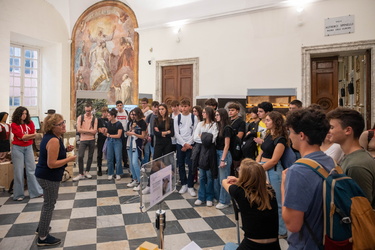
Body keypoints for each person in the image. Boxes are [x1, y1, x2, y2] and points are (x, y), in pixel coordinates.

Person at [282, 108, 335, 249]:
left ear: (301, 135)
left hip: (306, 244)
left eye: (290, 132)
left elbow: (293, 225)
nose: (289, 136)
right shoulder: (329, 161)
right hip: (325, 240)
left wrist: (283, 186)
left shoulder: (298, 171)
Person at [35, 114, 76, 246]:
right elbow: (52, 164)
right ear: (52, 127)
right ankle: (42, 237)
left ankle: (42, 227)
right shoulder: (53, 140)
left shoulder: (54, 138)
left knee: (47, 203)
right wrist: (69, 159)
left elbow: (54, 154)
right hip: (48, 177)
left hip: (46, 175)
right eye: (60, 124)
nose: (64, 125)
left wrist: (65, 150)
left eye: (63, 122)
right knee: (49, 205)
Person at [222, 159, 280, 250]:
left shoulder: (239, 192)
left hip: (250, 246)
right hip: (274, 247)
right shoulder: (270, 192)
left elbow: (224, 181)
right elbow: (263, 182)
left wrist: (238, 180)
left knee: (228, 246)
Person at [327, 108, 375, 208]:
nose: (328, 131)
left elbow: (361, 209)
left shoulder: (357, 165)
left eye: (331, 127)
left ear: (348, 130)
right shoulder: (349, 157)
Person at [256, 111, 287, 238]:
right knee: (266, 200)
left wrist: (259, 168)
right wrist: (257, 163)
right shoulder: (269, 135)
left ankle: (282, 231)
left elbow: (275, 160)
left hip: (273, 171)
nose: (265, 122)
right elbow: (261, 152)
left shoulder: (281, 139)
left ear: (276, 122)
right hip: (263, 167)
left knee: (278, 202)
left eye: (268, 120)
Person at [11, 106, 43, 201]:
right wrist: (31, 135)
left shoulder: (30, 123)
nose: (24, 116)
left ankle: (36, 192)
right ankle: (18, 194)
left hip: (28, 147)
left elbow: (32, 135)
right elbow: (22, 137)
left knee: (32, 170)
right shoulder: (13, 125)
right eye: (22, 114)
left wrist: (29, 136)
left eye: (25, 113)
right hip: (17, 148)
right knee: (19, 171)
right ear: (18, 114)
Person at [193, 107, 218, 206]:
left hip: (211, 153)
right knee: (202, 176)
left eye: (204, 112)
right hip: (201, 152)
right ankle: (201, 197)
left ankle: (209, 197)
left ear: (208, 113)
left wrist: (201, 136)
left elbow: (212, 140)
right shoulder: (200, 124)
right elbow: (195, 138)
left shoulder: (214, 125)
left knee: (210, 176)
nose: (202, 114)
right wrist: (206, 137)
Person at [174, 99, 198, 196]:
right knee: (181, 164)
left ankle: (190, 185)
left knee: (191, 165)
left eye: (186, 106)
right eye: (182, 106)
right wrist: (183, 144)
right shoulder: (177, 118)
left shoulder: (194, 118)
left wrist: (188, 144)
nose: (184, 108)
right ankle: (184, 184)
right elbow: (176, 132)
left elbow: (195, 132)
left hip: (190, 144)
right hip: (180, 144)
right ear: (180, 107)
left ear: (189, 106)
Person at [73, 103, 97, 181]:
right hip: (83, 139)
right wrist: (89, 131)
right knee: (80, 156)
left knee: (90, 156)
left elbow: (94, 131)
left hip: (91, 139)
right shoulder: (80, 117)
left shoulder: (94, 119)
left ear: (91, 110)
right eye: (86, 111)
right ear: (84, 110)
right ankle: (81, 173)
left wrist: (84, 131)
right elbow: (79, 130)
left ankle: (87, 171)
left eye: (89, 111)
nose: (88, 112)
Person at [213, 108, 232, 209]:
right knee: (218, 178)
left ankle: (225, 201)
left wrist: (223, 159)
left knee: (224, 179)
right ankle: (220, 198)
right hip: (218, 152)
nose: (216, 117)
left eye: (217, 115)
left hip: (223, 154)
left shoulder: (227, 128)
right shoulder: (218, 127)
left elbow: (226, 145)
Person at [126, 108, 147, 191]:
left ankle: (141, 182)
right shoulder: (131, 122)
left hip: (137, 144)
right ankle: (134, 179)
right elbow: (130, 131)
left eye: (134, 114)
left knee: (135, 162)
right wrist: (129, 132)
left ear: (139, 114)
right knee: (131, 162)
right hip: (130, 142)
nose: (133, 116)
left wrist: (134, 133)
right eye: (132, 114)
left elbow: (143, 136)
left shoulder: (142, 123)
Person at [104, 108, 124, 180]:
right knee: (110, 158)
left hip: (117, 141)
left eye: (109, 115)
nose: (108, 117)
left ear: (113, 116)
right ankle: (110, 172)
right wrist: (104, 132)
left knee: (118, 158)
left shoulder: (119, 124)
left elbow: (118, 135)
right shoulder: (108, 123)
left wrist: (109, 135)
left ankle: (118, 173)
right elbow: (106, 133)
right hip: (109, 141)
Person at [228, 102, 246, 175]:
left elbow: (240, 135)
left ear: (237, 111)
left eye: (232, 110)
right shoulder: (228, 121)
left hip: (235, 147)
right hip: (227, 146)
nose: (230, 112)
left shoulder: (241, 122)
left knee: (235, 168)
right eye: (229, 110)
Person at [142, 101, 159, 165]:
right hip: (151, 136)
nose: (156, 109)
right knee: (151, 152)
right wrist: (146, 135)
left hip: (159, 137)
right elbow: (146, 126)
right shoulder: (150, 116)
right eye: (155, 107)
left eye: (157, 107)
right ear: (152, 108)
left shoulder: (160, 116)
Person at [115, 100, 129, 169]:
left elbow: (128, 122)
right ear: (116, 106)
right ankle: (116, 163)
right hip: (117, 133)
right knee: (116, 148)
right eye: (118, 105)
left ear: (122, 105)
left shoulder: (126, 112)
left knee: (124, 149)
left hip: (125, 133)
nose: (119, 107)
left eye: (121, 105)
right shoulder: (115, 113)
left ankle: (125, 162)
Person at [97, 107, 109, 176]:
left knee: (108, 153)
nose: (105, 113)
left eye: (106, 112)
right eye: (104, 112)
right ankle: (99, 168)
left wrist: (105, 130)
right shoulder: (99, 120)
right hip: (101, 138)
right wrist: (103, 130)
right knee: (100, 154)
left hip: (107, 138)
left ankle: (109, 167)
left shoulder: (109, 119)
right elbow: (99, 129)